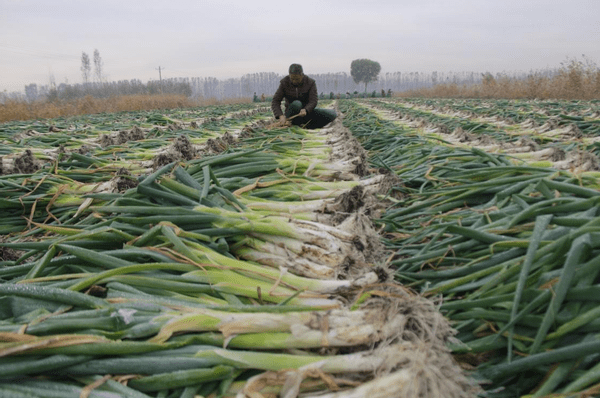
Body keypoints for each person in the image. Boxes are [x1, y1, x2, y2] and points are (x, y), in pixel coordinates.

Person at [271, 64, 337, 129]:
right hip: (292, 113)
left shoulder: (310, 83)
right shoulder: (284, 83)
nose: (294, 81)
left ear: (302, 75)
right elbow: (275, 101)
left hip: (306, 112)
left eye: (297, 79)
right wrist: (280, 115)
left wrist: (306, 109)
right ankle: (294, 123)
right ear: (289, 76)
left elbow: (313, 100)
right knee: (297, 104)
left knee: (332, 114)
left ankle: (307, 125)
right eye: (292, 79)